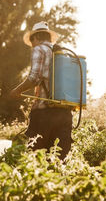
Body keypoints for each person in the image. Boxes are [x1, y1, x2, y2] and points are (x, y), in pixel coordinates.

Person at [10, 21, 72, 160]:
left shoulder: (39, 49)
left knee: (32, 156)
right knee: (58, 158)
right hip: (65, 113)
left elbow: (34, 77)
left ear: (35, 37)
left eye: (32, 41)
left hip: (44, 113)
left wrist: (16, 90)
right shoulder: (62, 53)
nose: (32, 44)